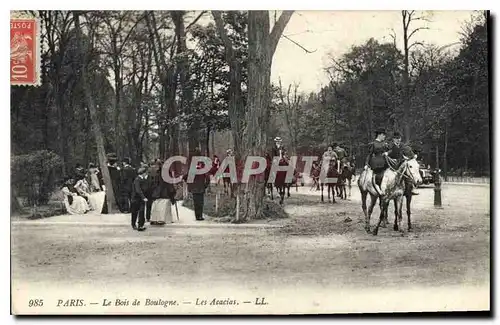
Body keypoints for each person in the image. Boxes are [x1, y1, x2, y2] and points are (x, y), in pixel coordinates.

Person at [364, 128, 390, 197]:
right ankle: (378, 190)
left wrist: (387, 152)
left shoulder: (385, 143)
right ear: (380, 135)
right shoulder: (373, 144)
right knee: (377, 177)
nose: (384, 137)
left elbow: (390, 151)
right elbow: (369, 155)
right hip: (377, 163)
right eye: (384, 135)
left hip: (386, 162)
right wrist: (366, 164)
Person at [131, 167, 151, 231]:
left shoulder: (143, 179)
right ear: (143, 173)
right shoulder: (137, 180)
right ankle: (133, 224)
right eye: (145, 173)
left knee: (141, 211)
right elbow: (138, 190)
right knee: (135, 212)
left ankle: (140, 225)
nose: (146, 174)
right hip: (136, 198)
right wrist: (144, 197)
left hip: (141, 199)